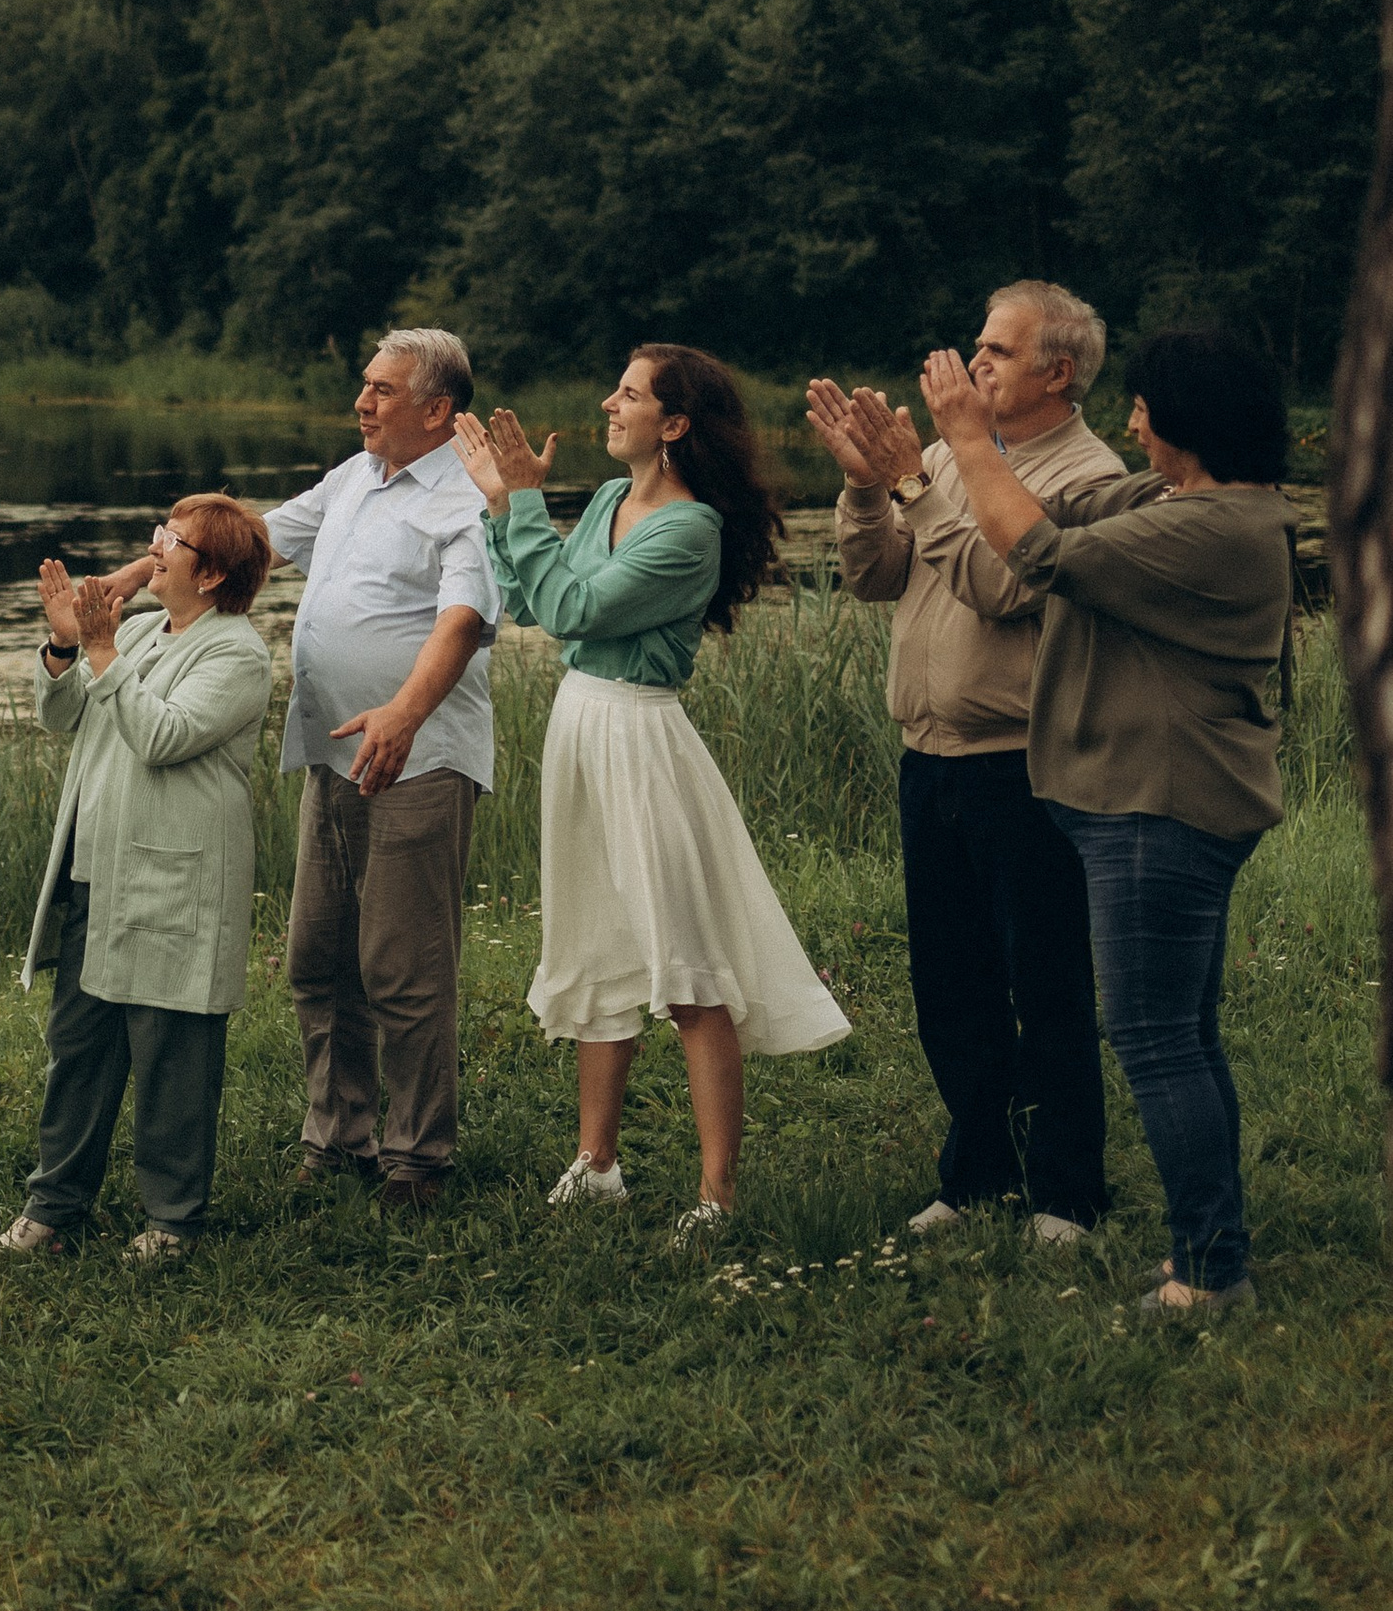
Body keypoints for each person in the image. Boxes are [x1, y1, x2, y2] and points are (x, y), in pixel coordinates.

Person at [918, 326, 1297, 1318]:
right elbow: (1070, 503)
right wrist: (946, 465)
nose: (1129, 420)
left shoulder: (1216, 528)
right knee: (1185, 1035)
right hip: (1152, 802)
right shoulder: (1187, 501)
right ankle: (1212, 1249)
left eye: (1142, 406)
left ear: (1188, 422)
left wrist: (965, 441)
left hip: (1157, 808)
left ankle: (1209, 1276)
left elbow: (1038, 551)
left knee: (1156, 1040)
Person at [457, 347, 848, 1232]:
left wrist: (521, 503)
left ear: (675, 423)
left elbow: (575, 611)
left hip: (641, 734)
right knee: (597, 943)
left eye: (628, 395)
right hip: (579, 725)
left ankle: (717, 1194)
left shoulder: (690, 530)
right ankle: (598, 1162)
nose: (608, 403)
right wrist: (499, 507)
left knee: (687, 960)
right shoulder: (606, 500)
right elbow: (530, 602)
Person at [807, 285, 1126, 1245]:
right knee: (952, 983)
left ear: (1056, 371)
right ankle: (979, 1171)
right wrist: (870, 484)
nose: (974, 362)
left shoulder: (1088, 477)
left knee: (1046, 980)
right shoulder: (945, 455)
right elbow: (873, 577)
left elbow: (998, 583)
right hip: (930, 757)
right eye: (975, 345)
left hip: (1025, 765)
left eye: (997, 350)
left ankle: (1068, 1192)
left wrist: (916, 483)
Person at [0, 497, 277, 1263]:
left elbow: (162, 737)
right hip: (98, 874)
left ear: (209, 575)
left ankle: (172, 1224)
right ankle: (53, 1210)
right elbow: (64, 714)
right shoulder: (143, 629)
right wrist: (62, 644)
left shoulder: (237, 654)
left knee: (172, 1053)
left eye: (170, 542)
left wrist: (103, 653)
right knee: (78, 1048)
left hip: (177, 882)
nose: (153, 549)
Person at [260, 328, 497, 1216]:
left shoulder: (466, 497)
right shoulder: (356, 475)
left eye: (382, 390)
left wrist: (404, 712)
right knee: (320, 958)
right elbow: (259, 543)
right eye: (364, 384)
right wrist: (147, 564)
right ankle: (338, 1137)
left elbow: (465, 617)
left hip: (419, 758)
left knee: (403, 966)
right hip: (333, 753)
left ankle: (418, 1159)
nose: (361, 401)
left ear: (437, 409)